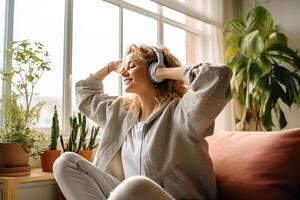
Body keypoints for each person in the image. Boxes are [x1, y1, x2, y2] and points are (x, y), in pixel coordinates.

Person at [53, 44, 232, 200]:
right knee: (66, 162)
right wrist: (110, 67)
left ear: (153, 70)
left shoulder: (183, 112)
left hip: (169, 197)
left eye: (131, 66)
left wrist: (162, 72)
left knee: (135, 185)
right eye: (124, 67)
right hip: (126, 195)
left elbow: (219, 76)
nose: (124, 72)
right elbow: (85, 94)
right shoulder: (121, 111)